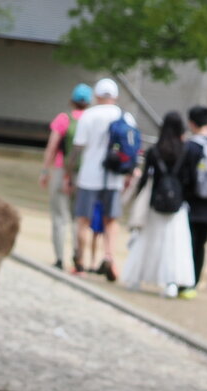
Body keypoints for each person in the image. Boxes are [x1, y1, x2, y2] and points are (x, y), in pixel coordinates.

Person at [120, 111, 194, 298]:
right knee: (174, 245)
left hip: (155, 203)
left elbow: (146, 178)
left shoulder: (154, 151)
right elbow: (189, 180)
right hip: (177, 205)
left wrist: (139, 198)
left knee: (147, 242)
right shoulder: (186, 150)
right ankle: (171, 283)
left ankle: (136, 278)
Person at [71, 77, 135, 281]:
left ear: (97, 96)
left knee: (83, 219)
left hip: (89, 175)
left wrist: (68, 170)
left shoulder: (88, 115)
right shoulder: (126, 117)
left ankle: (80, 262)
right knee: (111, 220)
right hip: (114, 177)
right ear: (115, 96)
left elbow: (78, 146)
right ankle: (109, 257)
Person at [40, 84, 89, 271]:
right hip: (84, 175)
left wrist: (45, 171)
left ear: (72, 101)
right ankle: (78, 258)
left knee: (60, 217)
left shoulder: (64, 119)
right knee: (79, 218)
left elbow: (52, 146)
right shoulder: (91, 120)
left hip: (61, 171)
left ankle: (60, 259)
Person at [178, 104, 207, 297]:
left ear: (190, 123)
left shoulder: (190, 147)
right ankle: (193, 284)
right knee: (200, 245)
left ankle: (183, 282)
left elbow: (184, 177)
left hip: (191, 205)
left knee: (187, 244)